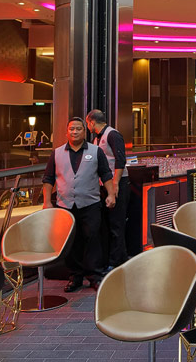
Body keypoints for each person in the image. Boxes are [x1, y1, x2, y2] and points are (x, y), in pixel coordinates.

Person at [42, 117, 116, 292]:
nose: (74, 132)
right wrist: (46, 202)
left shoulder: (96, 151)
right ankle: (75, 276)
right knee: (71, 242)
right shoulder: (57, 153)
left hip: (90, 203)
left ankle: (94, 276)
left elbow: (106, 174)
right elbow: (48, 179)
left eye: (78, 129)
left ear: (84, 131)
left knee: (92, 239)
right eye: (71, 129)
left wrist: (111, 194)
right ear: (66, 132)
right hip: (65, 205)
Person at [86, 109, 130, 273]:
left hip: (117, 183)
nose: (88, 127)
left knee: (116, 223)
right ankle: (117, 257)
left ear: (92, 122)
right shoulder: (97, 138)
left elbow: (120, 160)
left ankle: (115, 262)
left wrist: (115, 183)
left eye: (87, 124)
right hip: (104, 184)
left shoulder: (112, 135)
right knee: (108, 223)